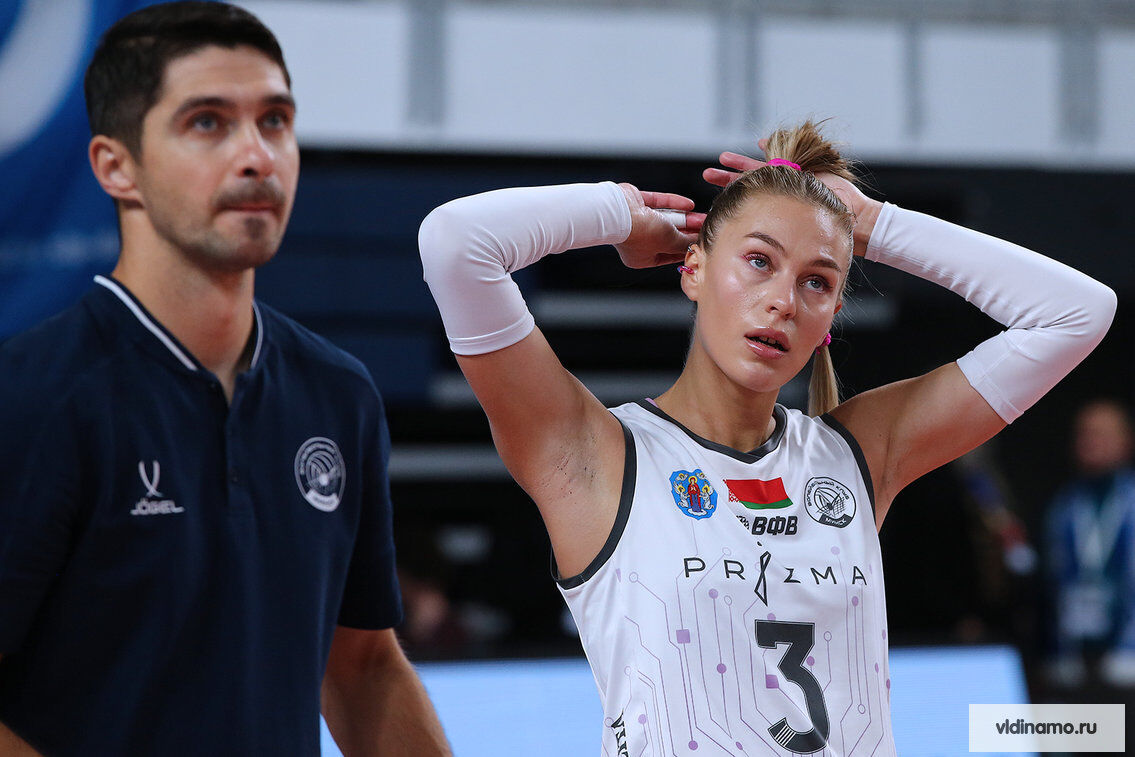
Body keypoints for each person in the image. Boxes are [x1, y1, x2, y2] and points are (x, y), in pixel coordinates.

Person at [418, 122, 1116, 755]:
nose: (783, 300)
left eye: (817, 281)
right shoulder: (596, 455)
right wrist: (620, 214)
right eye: (758, 261)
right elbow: (456, 244)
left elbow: (1077, 312)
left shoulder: (855, 454)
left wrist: (874, 224)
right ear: (693, 268)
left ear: (832, 315)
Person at [0, 3, 449, 755]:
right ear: (116, 167)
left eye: (275, 121)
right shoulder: (31, 397)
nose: (257, 156)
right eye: (207, 122)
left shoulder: (338, 394)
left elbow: (362, 667)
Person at [1046, 399, 1135, 689]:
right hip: (1075, 657)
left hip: (1127, 656)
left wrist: (1129, 646)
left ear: (1126, 441)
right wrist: (1060, 650)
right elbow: (1055, 581)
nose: (1090, 442)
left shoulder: (1130, 502)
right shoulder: (1065, 504)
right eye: (1084, 434)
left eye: (1101, 434)